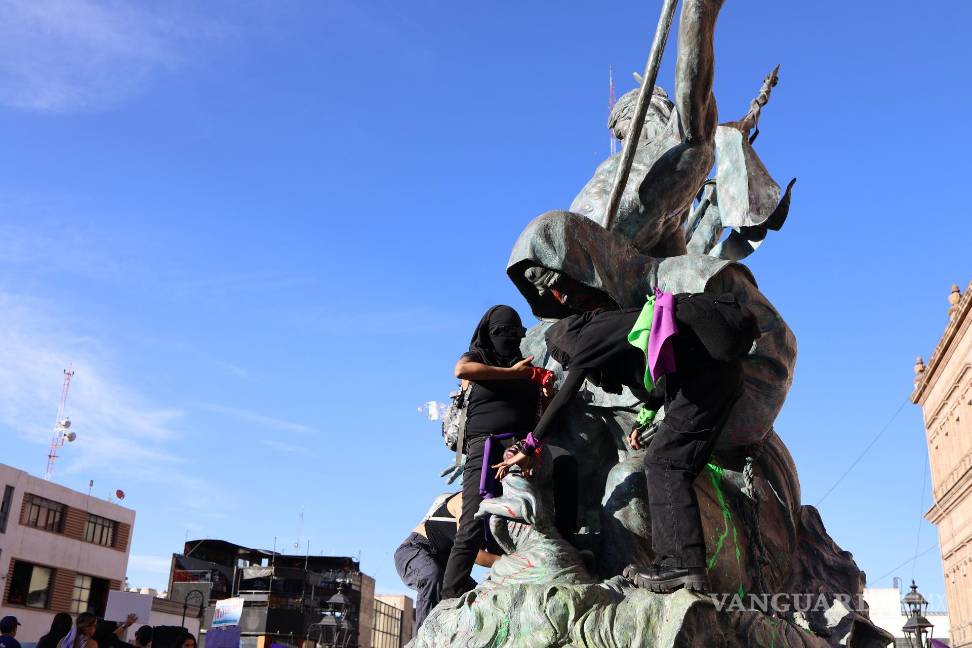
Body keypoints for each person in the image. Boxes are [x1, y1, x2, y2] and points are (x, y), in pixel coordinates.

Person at [493, 291, 759, 593]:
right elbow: (664, 366)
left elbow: (565, 396)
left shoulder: (588, 338)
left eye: (567, 360)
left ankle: (679, 564)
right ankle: (688, 566)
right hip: (722, 377)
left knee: (664, 463)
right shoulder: (617, 325)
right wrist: (645, 417)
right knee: (677, 467)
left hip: (705, 377)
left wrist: (530, 445)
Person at [439, 305, 553, 600]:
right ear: (489, 333)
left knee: (532, 514)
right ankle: (450, 596)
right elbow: (460, 369)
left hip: (520, 447)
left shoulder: (526, 365)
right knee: (471, 524)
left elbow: (541, 412)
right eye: (503, 332)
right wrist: (511, 374)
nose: (510, 338)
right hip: (484, 446)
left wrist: (544, 391)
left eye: (516, 332)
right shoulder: (479, 358)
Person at [395, 491, 500, 628]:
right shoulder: (464, 501)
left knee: (475, 595)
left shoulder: (493, 513)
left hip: (445, 563)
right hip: (415, 551)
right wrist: (511, 561)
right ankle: (423, 637)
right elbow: (473, 553)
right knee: (431, 576)